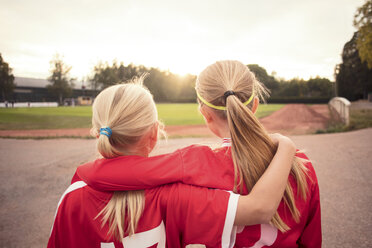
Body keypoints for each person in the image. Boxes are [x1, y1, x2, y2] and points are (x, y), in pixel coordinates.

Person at [77, 61, 321, 247]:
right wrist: (287, 146)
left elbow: (122, 173)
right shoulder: (301, 165)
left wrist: (85, 171)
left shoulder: (195, 161)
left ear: (204, 113)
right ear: (254, 105)